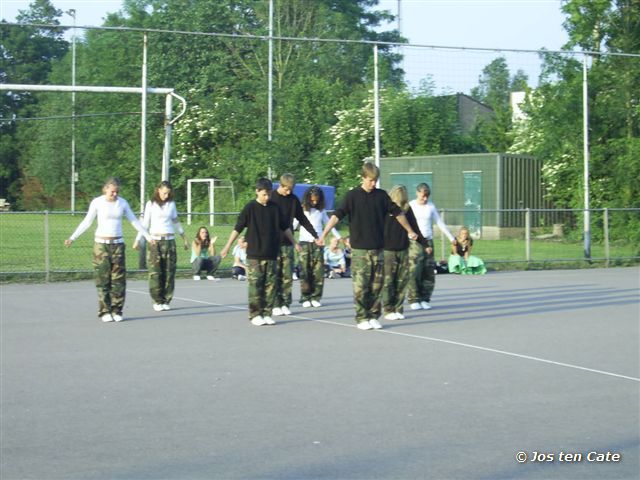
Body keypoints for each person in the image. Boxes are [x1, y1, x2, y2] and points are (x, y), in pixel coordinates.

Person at [319, 162, 419, 331]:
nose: (374, 183)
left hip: (379, 248)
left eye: (376, 180)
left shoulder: (381, 196)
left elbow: (398, 213)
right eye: (371, 180)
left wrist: (410, 230)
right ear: (363, 177)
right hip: (360, 249)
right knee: (361, 285)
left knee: (377, 285)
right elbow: (337, 215)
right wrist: (324, 234)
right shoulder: (352, 196)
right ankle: (361, 317)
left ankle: (373, 315)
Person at [65, 177, 153, 323]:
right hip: (101, 245)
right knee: (102, 279)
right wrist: (72, 237)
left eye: (117, 192)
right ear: (105, 189)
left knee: (118, 280)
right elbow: (87, 222)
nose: (115, 195)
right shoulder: (97, 202)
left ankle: (117, 310)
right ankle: (105, 311)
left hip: (118, 244)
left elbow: (134, 221)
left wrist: (148, 237)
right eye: (112, 192)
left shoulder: (122, 203)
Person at [220, 177, 301, 326]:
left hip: (271, 253)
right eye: (264, 194)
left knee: (270, 286)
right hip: (255, 254)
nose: (267, 197)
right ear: (257, 192)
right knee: (256, 285)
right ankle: (255, 314)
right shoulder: (250, 208)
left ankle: (267, 313)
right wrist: (226, 246)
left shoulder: (274, 208)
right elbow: (238, 228)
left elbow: (285, 228)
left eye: (269, 194)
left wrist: (295, 243)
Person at [133, 180, 189, 312]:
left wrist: (184, 238)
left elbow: (176, 222)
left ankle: (166, 299)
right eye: (164, 193)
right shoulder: (151, 204)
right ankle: (157, 300)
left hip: (169, 240)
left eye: (168, 193)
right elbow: (145, 223)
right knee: (155, 272)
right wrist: (137, 239)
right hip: (155, 241)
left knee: (169, 272)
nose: (166, 196)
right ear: (158, 190)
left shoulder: (171, 204)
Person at [269, 173, 320, 317]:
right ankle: (275, 304)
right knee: (274, 274)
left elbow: (302, 219)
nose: (289, 192)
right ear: (281, 185)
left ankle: (285, 303)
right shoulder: (272, 197)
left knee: (287, 275)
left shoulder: (293, 200)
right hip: (273, 243)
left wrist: (315, 235)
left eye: (291, 189)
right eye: (287, 189)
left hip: (288, 243)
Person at [382, 185, 428, 321]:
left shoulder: (407, 210)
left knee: (401, 281)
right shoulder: (385, 209)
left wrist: (424, 243)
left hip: (403, 248)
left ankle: (398, 308)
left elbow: (415, 228)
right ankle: (388, 308)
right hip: (387, 250)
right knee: (389, 281)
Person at [407, 183, 457, 311]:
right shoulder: (411, 205)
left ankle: (425, 298)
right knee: (415, 271)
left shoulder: (430, 206)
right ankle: (414, 298)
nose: (425, 199)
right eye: (423, 196)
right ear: (417, 193)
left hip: (428, 242)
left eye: (427, 196)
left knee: (428, 271)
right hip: (415, 242)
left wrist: (451, 237)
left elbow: (439, 223)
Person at [296, 186, 340, 307]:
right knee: (305, 270)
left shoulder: (321, 211)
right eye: (312, 200)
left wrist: (338, 236)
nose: (314, 203)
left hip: (318, 243)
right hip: (304, 242)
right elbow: (293, 224)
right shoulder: (302, 210)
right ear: (308, 199)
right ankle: (305, 297)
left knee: (318, 271)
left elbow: (329, 224)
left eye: (317, 200)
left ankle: (316, 296)